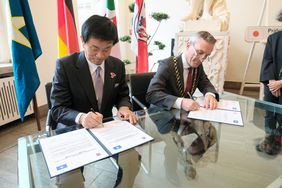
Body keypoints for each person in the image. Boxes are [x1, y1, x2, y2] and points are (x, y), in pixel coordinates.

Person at [50, 15, 138, 129]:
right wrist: (81, 118)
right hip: (74, 128)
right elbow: (58, 108)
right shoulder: (65, 66)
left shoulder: (117, 66)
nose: (100, 55)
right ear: (83, 40)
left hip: (105, 126)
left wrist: (124, 107)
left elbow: (122, 95)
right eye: (94, 49)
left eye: (107, 49)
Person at [146, 31, 219, 112]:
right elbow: (152, 94)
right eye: (200, 52)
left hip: (183, 115)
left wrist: (210, 94)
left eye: (206, 56)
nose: (202, 59)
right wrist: (181, 102)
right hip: (162, 113)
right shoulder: (167, 65)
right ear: (188, 45)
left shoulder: (197, 65)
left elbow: (205, 83)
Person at [257, 12, 282, 155]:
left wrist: (281, 83)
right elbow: (268, 61)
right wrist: (272, 82)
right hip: (271, 85)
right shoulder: (274, 38)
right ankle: (268, 137)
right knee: (269, 113)